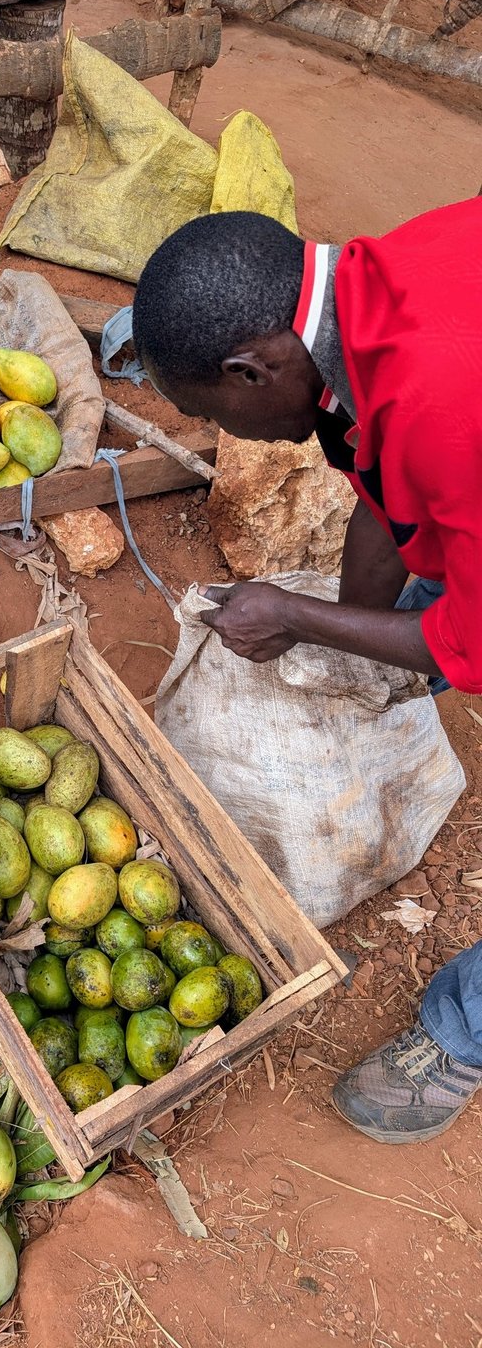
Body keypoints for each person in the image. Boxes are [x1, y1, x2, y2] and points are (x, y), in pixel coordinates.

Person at [131, 199, 482, 1144]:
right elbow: (384, 477)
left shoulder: (442, 400)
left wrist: (294, 613)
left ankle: (463, 1032)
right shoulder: (369, 299)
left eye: (216, 414)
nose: (233, 434)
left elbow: (476, 642)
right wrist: (339, 633)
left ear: (252, 368)